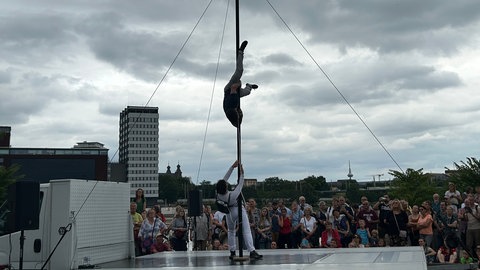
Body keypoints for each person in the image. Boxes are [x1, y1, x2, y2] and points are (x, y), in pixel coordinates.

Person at [215, 160, 262, 260]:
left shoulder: (218, 194)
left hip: (229, 212)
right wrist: (242, 172)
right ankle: (251, 251)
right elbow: (240, 184)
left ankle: (232, 251)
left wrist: (232, 167)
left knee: (231, 231)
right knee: (246, 230)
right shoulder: (232, 195)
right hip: (238, 209)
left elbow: (224, 180)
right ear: (225, 187)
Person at [223, 40, 258, 128]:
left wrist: (239, 83)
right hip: (235, 94)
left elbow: (234, 87)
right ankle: (249, 86)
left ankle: (240, 51)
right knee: (247, 92)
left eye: (240, 113)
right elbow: (236, 122)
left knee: (239, 72)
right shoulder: (229, 114)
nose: (241, 112)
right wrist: (238, 124)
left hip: (231, 88)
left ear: (236, 112)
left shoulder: (233, 104)